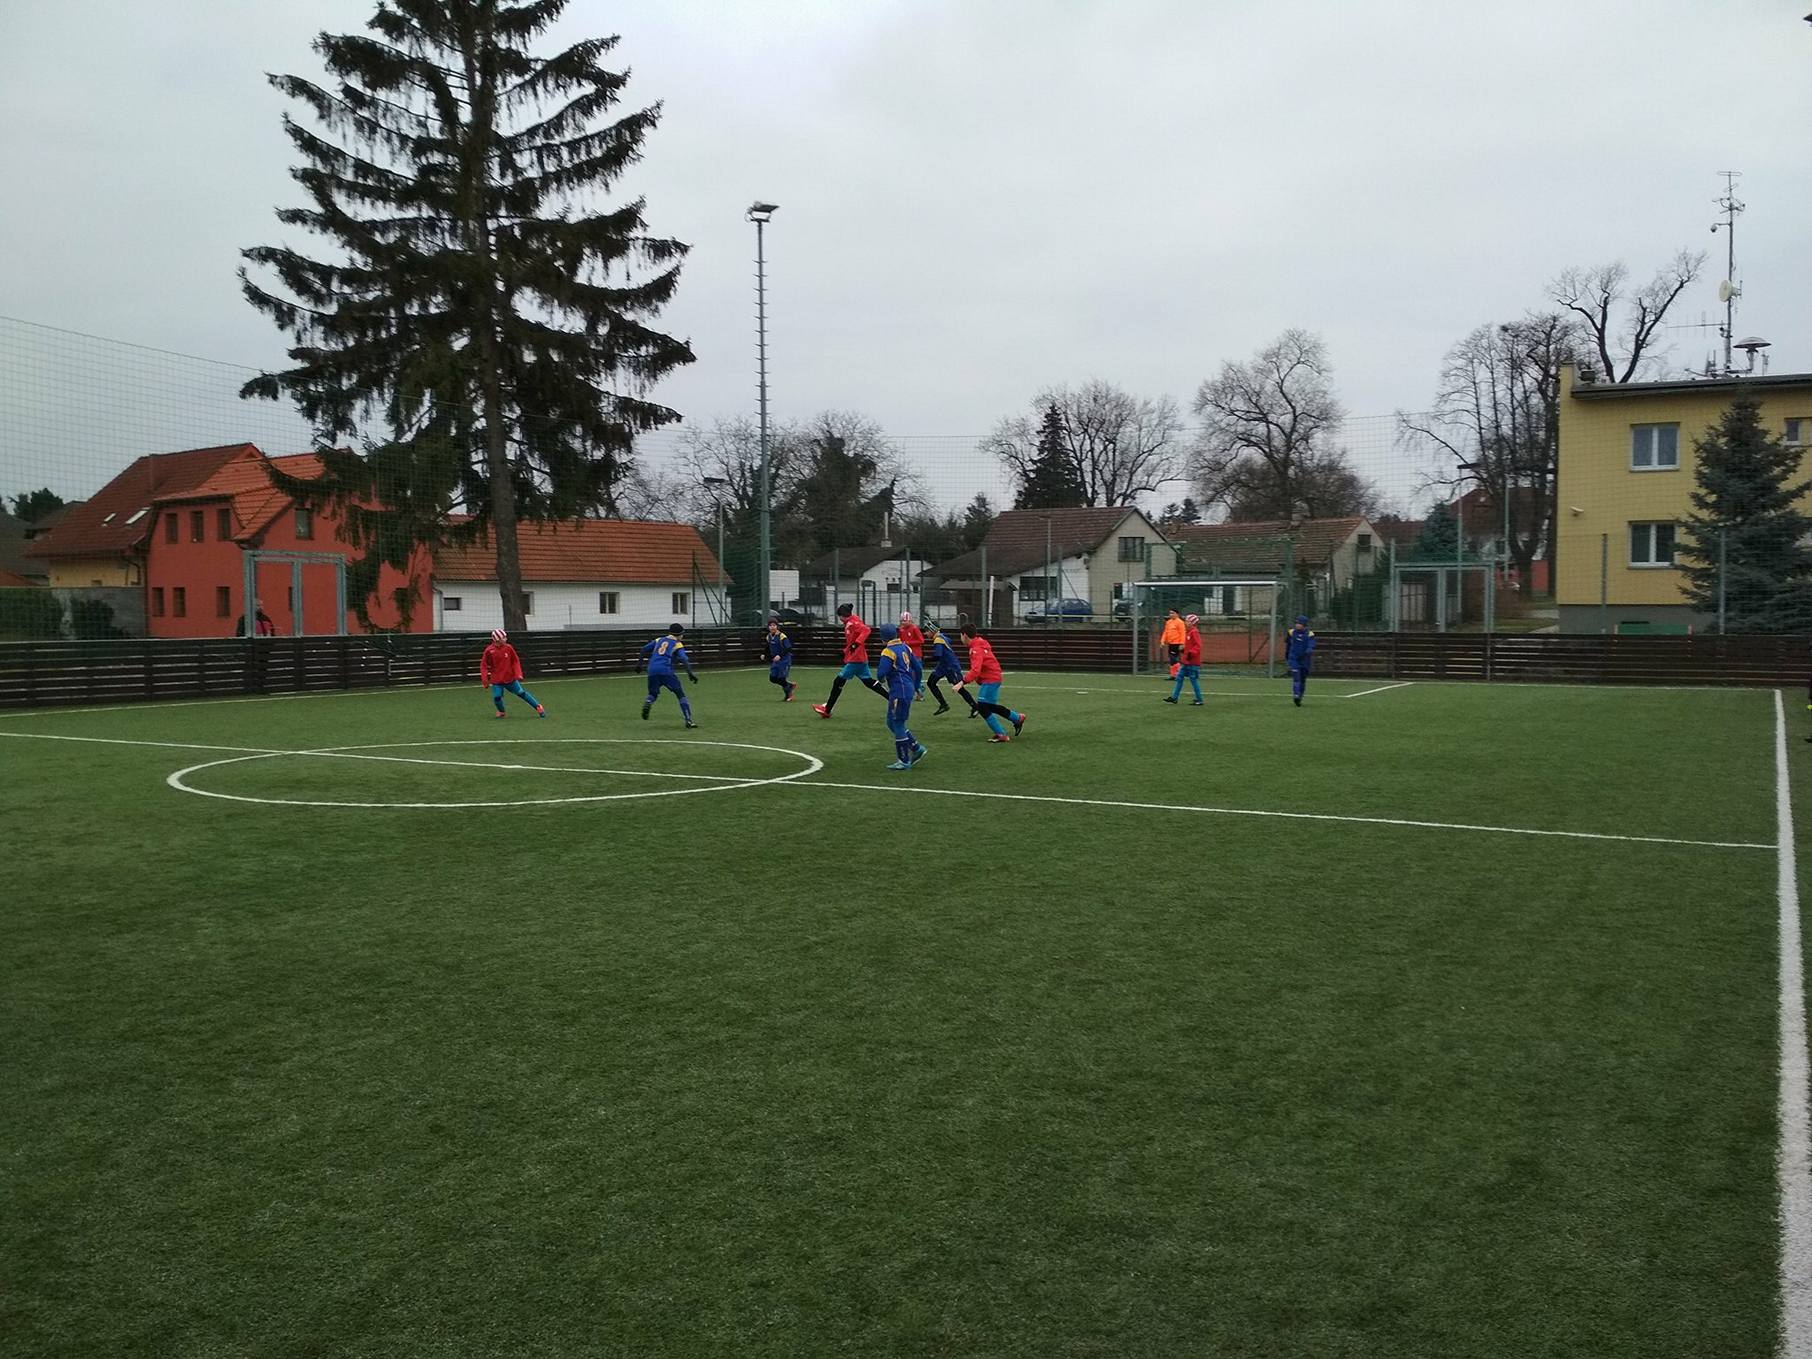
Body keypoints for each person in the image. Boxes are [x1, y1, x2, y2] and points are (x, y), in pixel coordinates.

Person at [813, 603, 887, 718]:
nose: (840, 619)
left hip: (856, 659)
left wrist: (855, 645)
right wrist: (845, 651)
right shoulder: (853, 620)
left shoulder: (852, 623)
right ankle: (893, 698)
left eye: (840, 616)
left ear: (843, 616)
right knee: (868, 681)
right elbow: (852, 640)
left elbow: (866, 630)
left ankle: (827, 709)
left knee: (838, 681)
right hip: (859, 658)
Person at [958, 623, 1026, 744]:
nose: (960, 638)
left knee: (983, 707)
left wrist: (962, 682)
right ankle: (1017, 718)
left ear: (964, 635)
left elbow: (976, 670)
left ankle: (1001, 734)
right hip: (993, 677)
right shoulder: (979, 644)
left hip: (991, 679)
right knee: (990, 707)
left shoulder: (976, 649)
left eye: (960, 635)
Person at [875, 625, 927, 771]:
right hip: (907, 688)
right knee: (891, 722)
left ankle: (903, 760)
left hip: (899, 690)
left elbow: (881, 672)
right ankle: (916, 748)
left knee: (897, 723)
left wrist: (882, 679)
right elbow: (918, 669)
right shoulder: (906, 647)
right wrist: (916, 685)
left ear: (883, 638)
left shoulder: (888, 651)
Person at [638, 622, 699, 727]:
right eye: (682, 634)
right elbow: (684, 658)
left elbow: (644, 649)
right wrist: (690, 674)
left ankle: (648, 702)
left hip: (652, 670)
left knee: (653, 693)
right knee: (680, 694)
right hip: (665, 670)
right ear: (679, 635)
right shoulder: (677, 644)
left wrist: (639, 664)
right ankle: (688, 720)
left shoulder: (659, 640)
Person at [480, 628, 545, 719]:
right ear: (497, 640)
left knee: (521, 693)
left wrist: (518, 674)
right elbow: (483, 665)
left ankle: (538, 707)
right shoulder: (489, 651)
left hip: (510, 678)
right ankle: (501, 711)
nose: (506, 639)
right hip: (497, 680)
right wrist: (485, 680)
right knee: (497, 697)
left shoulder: (509, 648)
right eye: (504, 637)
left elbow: (515, 661)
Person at [924, 621, 979, 717]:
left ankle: (975, 706)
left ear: (933, 630)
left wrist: (925, 659)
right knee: (931, 683)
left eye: (927, 631)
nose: (925, 633)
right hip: (943, 665)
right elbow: (948, 641)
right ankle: (943, 705)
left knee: (959, 688)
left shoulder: (938, 640)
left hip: (951, 667)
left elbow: (937, 656)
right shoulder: (941, 637)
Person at [1164, 613, 1205, 706]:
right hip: (1186, 661)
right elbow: (1190, 645)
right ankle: (1174, 697)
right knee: (1179, 678)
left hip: (1192, 662)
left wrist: (1191, 653)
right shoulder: (1189, 632)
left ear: (1192, 623)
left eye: (1187, 621)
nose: (1185, 622)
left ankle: (1199, 700)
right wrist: (1184, 650)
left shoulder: (1194, 632)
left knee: (1193, 680)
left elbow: (1198, 646)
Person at [761, 616, 797, 702]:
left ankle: (789, 695)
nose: (772, 627)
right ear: (768, 627)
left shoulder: (782, 636)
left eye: (774, 625)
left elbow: (788, 648)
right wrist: (764, 654)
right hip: (776, 661)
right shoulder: (769, 636)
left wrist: (780, 656)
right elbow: (768, 646)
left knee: (781, 678)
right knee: (772, 678)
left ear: (777, 626)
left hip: (784, 660)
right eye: (770, 625)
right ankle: (790, 685)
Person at [1284, 614, 1316, 706]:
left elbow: (1311, 645)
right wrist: (1287, 655)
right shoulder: (1291, 632)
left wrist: (1308, 652)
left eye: (1299, 623)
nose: (1297, 625)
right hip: (1294, 659)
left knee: (1302, 679)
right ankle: (1296, 695)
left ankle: (1300, 697)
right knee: (1296, 678)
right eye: (1296, 623)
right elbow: (1288, 644)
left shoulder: (1310, 634)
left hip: (1305, 660)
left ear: (1304, 624)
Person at [897, 610, 926, 696]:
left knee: (917, 674)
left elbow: (921, 640)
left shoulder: (914, 628)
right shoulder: (901, 630)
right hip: (906, 655)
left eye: (904, 621)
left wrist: (908, 643)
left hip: (916, 655)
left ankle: (919, 690)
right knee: (908, 674)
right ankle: (914, 691)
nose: (903, 622)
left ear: (909, 620)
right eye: (902, 621)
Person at [1160, 609, 1186, 679]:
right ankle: (1173, 675)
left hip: (1177, 643)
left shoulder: (1180, 622)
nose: (1171, 614)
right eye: (1170, 613)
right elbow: (1165, 632)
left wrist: (1182, 643)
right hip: (1171, 643)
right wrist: (1162, 641)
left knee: (1173, 658)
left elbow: (1183, 633)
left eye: (1172, 613)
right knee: (1172, 659)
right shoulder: (1168, 622)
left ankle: (1180, 671)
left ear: (1177, 614)